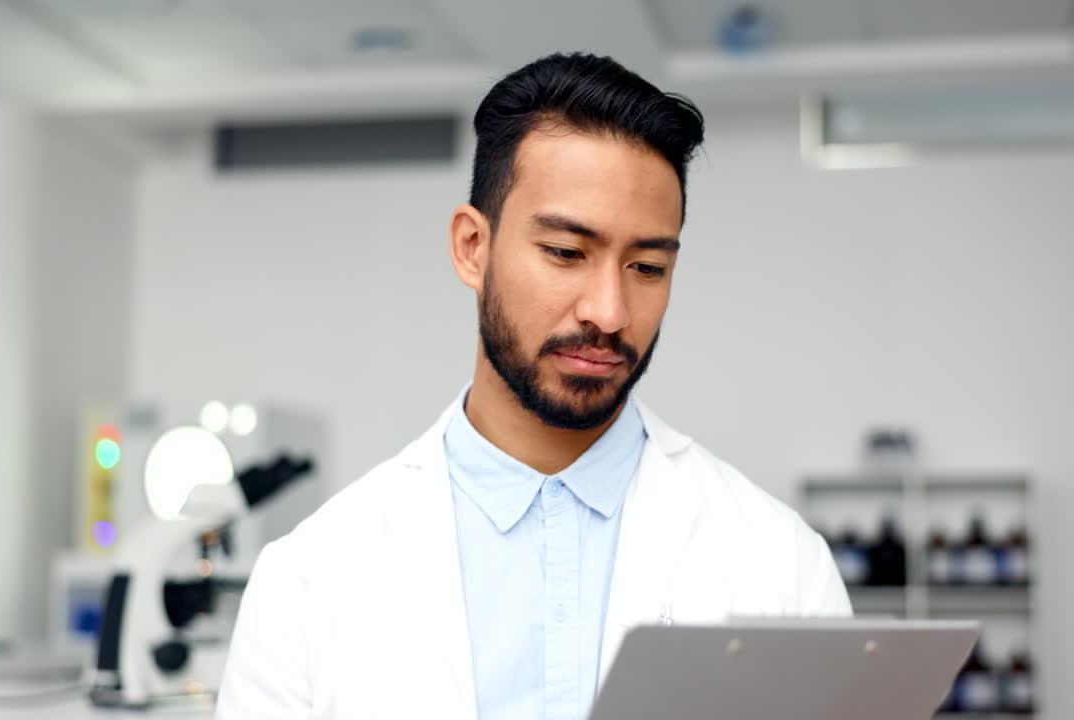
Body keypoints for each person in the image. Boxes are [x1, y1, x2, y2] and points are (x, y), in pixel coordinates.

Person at [216, 51, 851, 720]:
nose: (608, 311)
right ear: (472, 248)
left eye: (646, 266)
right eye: (566, 253)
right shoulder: (311, 578)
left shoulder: (781, 565)